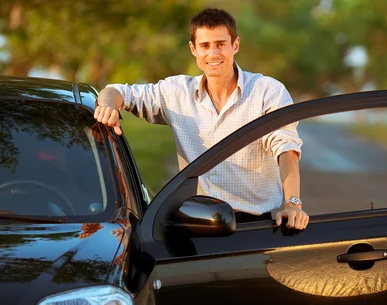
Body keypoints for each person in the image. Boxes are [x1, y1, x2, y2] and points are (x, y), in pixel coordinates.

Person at [94, 8, 308, 230]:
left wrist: (293, 203)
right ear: (193, 48)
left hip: (252, 226)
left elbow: (286, 149)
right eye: (205, 45)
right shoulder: (176, 92)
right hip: (193, 222)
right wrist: (108, 105)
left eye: (220, 44)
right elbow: (118, 92)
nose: (213, 53)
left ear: (235, 45)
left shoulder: (267, 91)